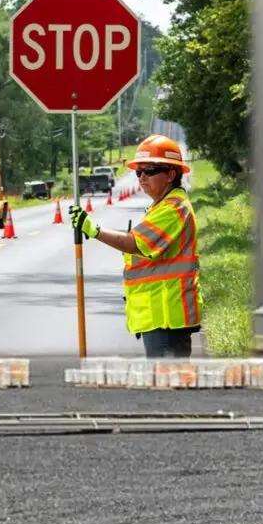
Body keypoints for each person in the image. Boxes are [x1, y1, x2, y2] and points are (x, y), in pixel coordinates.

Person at [68, 135, 201, 359]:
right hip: (158, 315)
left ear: (170, 174)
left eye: (149, 170)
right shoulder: (161, 206)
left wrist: (93, 230)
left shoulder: (174, 208)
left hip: (166, 317)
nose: (141, 177)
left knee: (166, 386)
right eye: (138, 171)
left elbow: (134, 244)